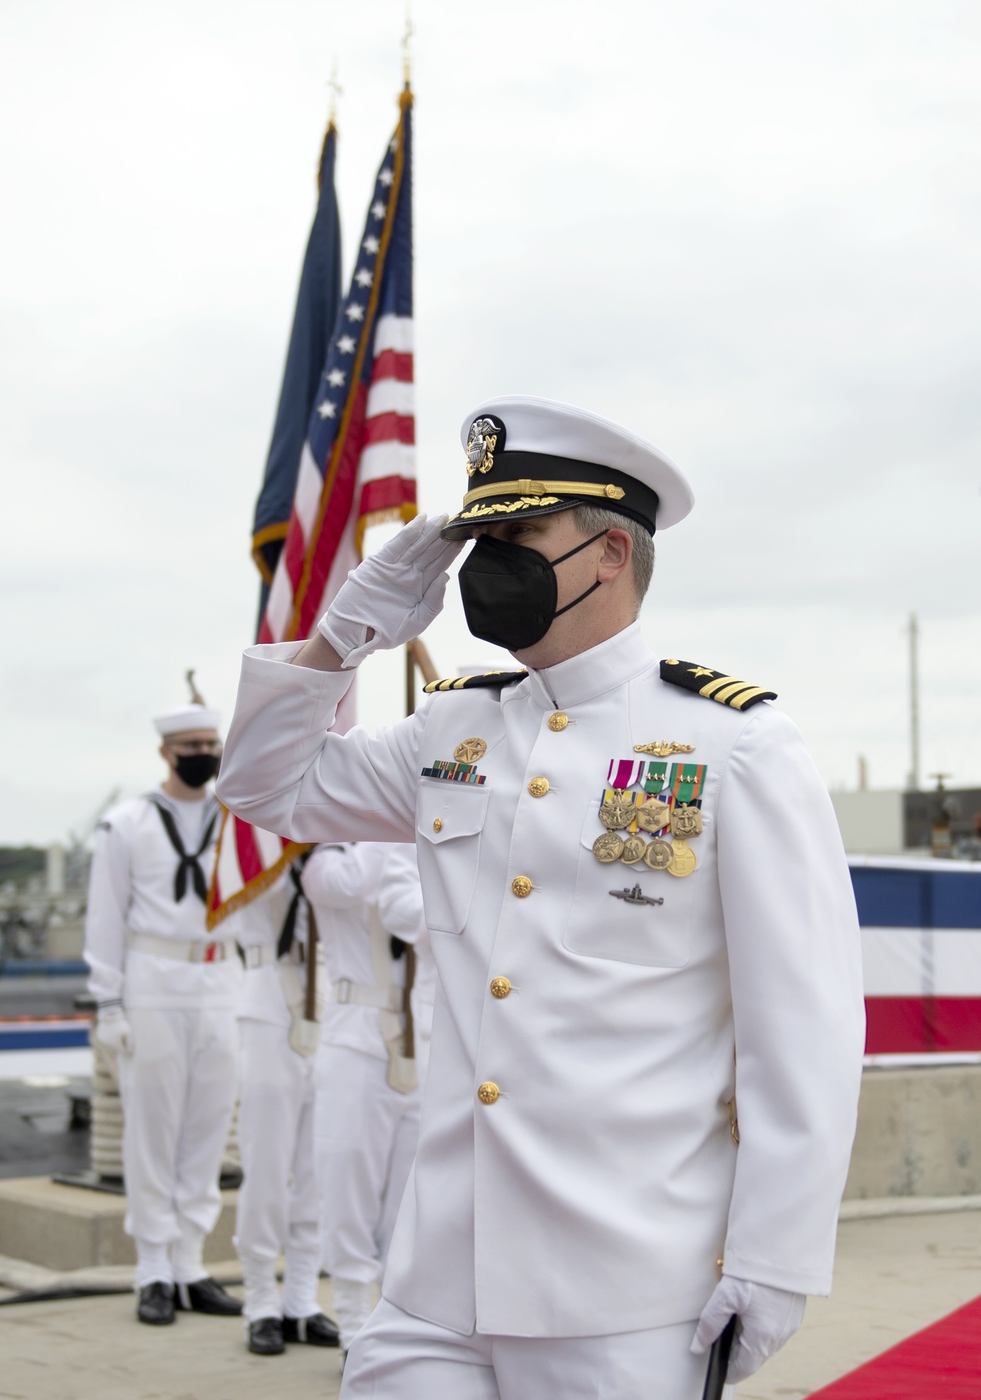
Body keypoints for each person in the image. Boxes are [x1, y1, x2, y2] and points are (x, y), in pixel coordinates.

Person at [215, 396, 865, 1400]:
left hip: (625, 1290)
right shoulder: (450, 732)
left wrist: (775, 1256)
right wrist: (343, 636)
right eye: (478, 536)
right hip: (435, 1279)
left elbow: (802, 1029)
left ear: (609, 553)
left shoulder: (734, 745)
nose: (485, 562)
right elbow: (261, 787)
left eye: (518, 534)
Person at [85, 693, 244, 1326]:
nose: (204, 758)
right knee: (152, 1131)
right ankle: (152, 1266)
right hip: (152, 980)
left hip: (220, 980)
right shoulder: (126, 823)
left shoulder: (236, 821)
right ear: (165, 753)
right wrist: (109, 1003)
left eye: (211, 748)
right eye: (192, 750)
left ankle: (190, 1264)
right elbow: (105, 916)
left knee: (206, 1130)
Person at [299, 841, 434, 1364]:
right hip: (356, 1038)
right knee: (348, 1192)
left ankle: (391, 1325)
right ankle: (353, 1330)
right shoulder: (325, 860)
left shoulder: (420, 853)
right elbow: (357, 887)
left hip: (424, 1039)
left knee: (407, 1202)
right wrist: (396, 827)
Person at [232, 860, 341, 1355]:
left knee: (318, 1164)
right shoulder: (252, 845)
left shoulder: (339, 852)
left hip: (334, 996)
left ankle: (300, 1298)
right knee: (267, 1163)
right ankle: (259, 1300)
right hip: (269, 993)